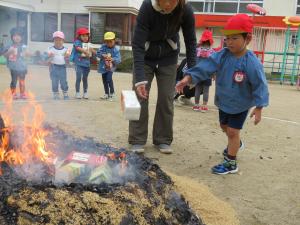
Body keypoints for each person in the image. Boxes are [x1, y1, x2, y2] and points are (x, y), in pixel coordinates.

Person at [176, 14, 269, 174]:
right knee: (224, 127)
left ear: (247, 38)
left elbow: (260, 84)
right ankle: (236, 143)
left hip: (240, 104)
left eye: (234, 38)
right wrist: (188, 77)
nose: (229, 42)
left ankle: (230, 163)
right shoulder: (222, 55)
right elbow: (205, 67)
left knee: (233, 132)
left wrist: (259, 106)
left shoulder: (251, 62)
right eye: (227, 38)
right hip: (223, 101)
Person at [128, 0, 197, 154]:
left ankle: (163, 139)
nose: (167, 4)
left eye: (172, 1)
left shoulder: (185, 9)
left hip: (169, 57)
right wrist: (139, 78)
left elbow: (191, 41)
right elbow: (138, 44)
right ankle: (137, 139)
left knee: (166, 98)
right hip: (145, 57)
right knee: (139, 96)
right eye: (164, 0)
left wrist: (192, 72)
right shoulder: (147, 7)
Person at [2, 27, 29, 100]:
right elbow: (4, 55)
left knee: (22, 81)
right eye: (15, 35)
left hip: (22, 67)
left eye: (19, 35)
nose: (17, 37)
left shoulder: (23, 46)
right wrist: (9, 52)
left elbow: (26, 56)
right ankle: (13, 93)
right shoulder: (9, 45)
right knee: (14, 81)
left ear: (21, 37)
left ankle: (22, 93)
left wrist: (27, 54)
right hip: (13, 67)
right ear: (12, 37)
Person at [193, 29, 215, 112]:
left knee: (197, 89)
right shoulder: (212, 51)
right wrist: (214, 73)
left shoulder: (197, 50)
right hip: (207, 74)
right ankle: (204, 106)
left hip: (198, 73)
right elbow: (214, 63)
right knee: (206, 90)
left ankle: (196, 105)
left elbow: (194, 60)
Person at [97, 31, 121, 101]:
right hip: (103, 67)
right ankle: (106, 94)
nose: (109, 43)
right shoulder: (103, 47)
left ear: (114, 41)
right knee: (104, 80)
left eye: (110, 41)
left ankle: (112, 94)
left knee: (109, 79)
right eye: (107, 42)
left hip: (111, 67)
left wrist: (112, 59)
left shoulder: (116, 49)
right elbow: (98, 53)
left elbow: (119, 59)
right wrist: (102, 55)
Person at [72, 27, 95, 99]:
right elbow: (77, 48)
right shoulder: (77, 42)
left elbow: (93, 51)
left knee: (85, 79)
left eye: (86, 36)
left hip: (86, 64)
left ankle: (85, 92)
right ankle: (77, 92)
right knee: (78, 78)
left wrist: (94, 52)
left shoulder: (89, 44)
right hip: (78, 63)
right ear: (79, 36)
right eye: (83, 36)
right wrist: (85, 51)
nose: (85, 37)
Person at [47, 31, 70, 100]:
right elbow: (47, 60)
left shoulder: (66, 49)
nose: (58, 41)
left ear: (63, 40)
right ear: (53, 40)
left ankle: (65, 93)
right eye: (56, 40)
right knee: (54, 81)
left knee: (63, 81)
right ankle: (55, 94)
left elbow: (68, 60)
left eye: (60, 40)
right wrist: (49, 57)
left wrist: (67, 56)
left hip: (62, 67)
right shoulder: (50, 49)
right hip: (54, 67)